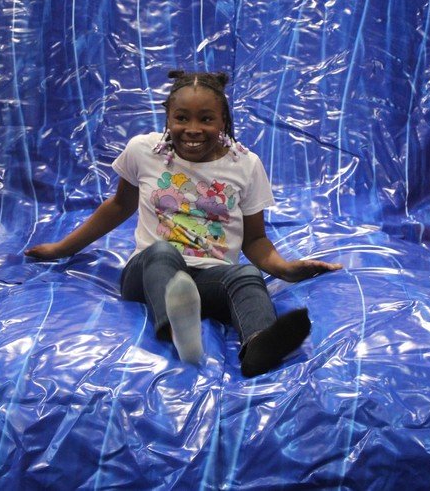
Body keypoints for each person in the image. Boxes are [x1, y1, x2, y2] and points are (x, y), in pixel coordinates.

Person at [26, 70, 341, 377]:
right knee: (162, 252)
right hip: (148, 273)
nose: (193, 129)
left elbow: (254, 240)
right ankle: (177, 328)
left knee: (245, 274)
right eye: (182, 118)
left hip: (208, 278)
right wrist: (60, 249)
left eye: (206, 119)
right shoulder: (143, 150)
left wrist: (284, 269)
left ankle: (259, 345)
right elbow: (120, 205)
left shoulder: (245, 165)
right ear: (168, 118)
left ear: (224, 121)